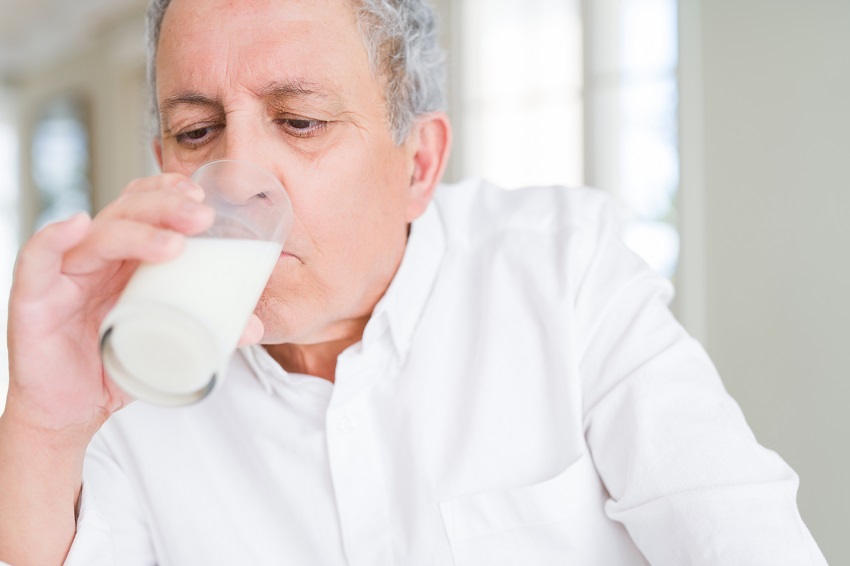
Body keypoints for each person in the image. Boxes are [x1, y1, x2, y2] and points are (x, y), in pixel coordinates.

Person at [0, 0, 827, 564]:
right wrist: (44, 427)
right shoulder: (133, 369)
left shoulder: (561, 273)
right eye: (197, 129)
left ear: (419, 164)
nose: (238, 172)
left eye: (301, 122)